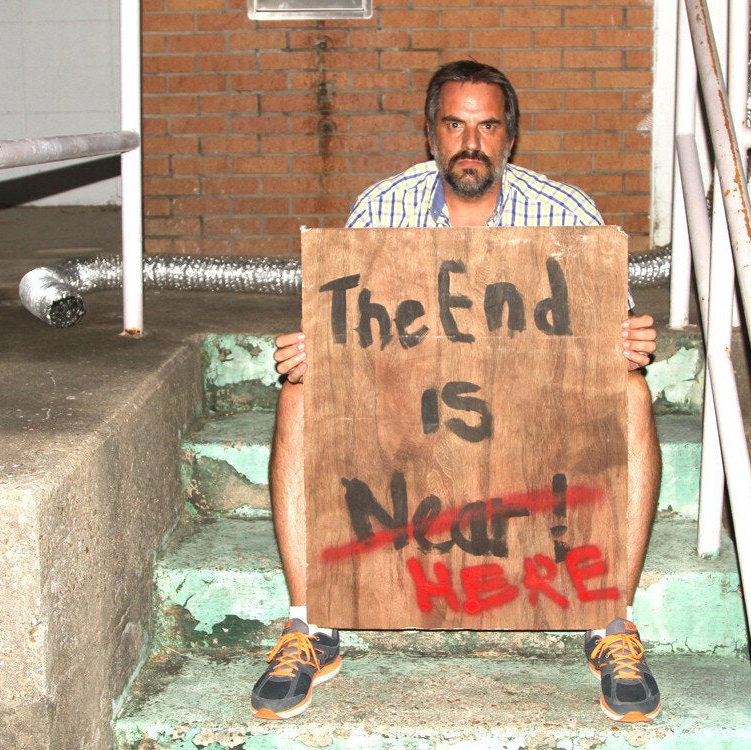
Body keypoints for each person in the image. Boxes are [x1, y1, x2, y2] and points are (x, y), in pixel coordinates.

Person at [250, 60, 662, 724]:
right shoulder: (380, 208)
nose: (471, 143)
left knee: (631, 391)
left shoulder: (567, 212)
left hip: (530, 422)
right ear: (431, 134)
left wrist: (627, 344)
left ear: (509, 136)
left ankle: (612, 619)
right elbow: (346, 331)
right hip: (413, 422)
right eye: (455, 124)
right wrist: (313, 350)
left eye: (487, 126)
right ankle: (311, 626)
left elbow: (607, 332)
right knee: (300, 395)